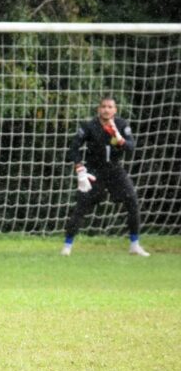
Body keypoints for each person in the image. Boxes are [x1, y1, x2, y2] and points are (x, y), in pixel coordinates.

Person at [61, 96, 149, 257]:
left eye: (110, 107)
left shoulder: (121, 125)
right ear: (98, 109)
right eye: (103, 106)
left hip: (115, 170)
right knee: (81, 206)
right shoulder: (89, 126)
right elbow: (73, 148)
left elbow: (131, 148)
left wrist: (120, 139)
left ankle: (135, 245)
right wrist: (79, 167)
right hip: (94, 171)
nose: (106, 110)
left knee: (132, 201)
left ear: (115, 110)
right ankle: (67, 246)